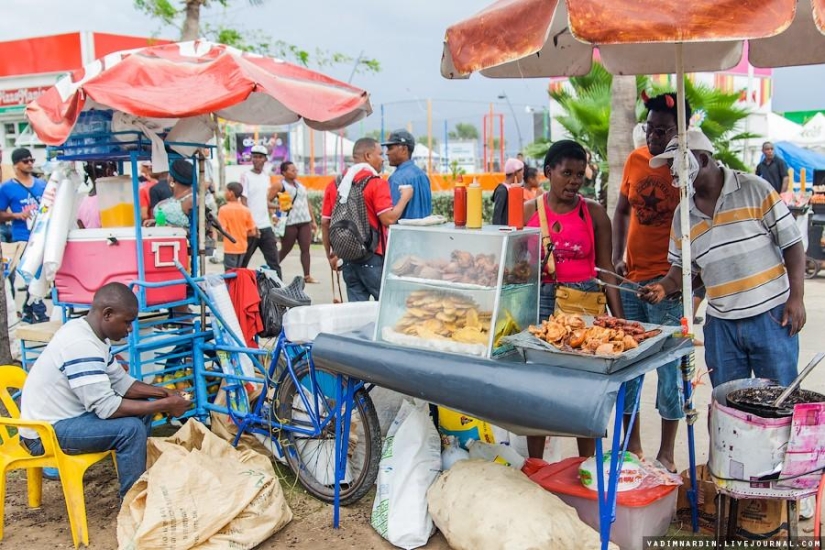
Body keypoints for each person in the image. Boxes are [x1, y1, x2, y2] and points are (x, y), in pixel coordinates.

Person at [640, 129, 805, 389]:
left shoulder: (754, 189)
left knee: (778, 401)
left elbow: (793, 244)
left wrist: (796, 298)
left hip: (771, 316)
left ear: (703, 160)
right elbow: (682, 271)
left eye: (677, 164)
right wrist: (663, 287)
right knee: (728, 407)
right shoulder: (683, 215)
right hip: (721, 325)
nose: (673, 173)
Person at [18, 282, 190, 499]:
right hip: (43, 434)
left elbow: (121, 383)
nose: (129, 329)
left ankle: (140, 483)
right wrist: (165, 405)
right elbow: (107, 408)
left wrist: (164, 393)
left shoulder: (91, 334)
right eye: (127, 322)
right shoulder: (81, 344)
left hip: (66, 420)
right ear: (108, 314)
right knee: (131, 429)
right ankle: (131, 502)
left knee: (141, 412)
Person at [523, 139, 624, 459]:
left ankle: (588, 462)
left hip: (584, 306)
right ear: (548, 172)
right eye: (567, 173)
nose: (574, 181)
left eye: (580, 174)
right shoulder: (527, 212)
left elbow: (606, 268)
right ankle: (536, 464)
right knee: (537, 389)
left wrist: (618, 319)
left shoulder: (593, 213)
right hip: (537, 306)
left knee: (585, 393)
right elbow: (512, 267)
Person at [611, 92, 692, 472]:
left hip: (669, 287)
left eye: (663, 131)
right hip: (632, 281)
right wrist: (616, 254)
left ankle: (667, 454)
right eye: (650, 129)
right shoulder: (635, 159)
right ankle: (633, 448)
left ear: (682, 133)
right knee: (628, 365)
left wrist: (682, 282)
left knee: (670, 372)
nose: (654, 138)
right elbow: (622, 209)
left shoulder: (685, 168)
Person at [321, 138, 412, 301]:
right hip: (373, 258)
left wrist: (331, 255)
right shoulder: (376, 183)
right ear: (368, 155)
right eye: (379, 154)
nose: (383, 158)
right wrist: (405, 198)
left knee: (356, 315)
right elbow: (388, 219)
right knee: (389, 305)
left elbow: (325, 222)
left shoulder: (335, 184)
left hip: (348, 259)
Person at [0, 148, 48, 324]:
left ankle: (28, 311)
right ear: (16, 165)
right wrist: (16, 215)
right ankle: (40, 311)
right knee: (31, 273)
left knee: (38, 273)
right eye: (25, 161)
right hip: (21, 236)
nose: (29, 164)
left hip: (40, 233)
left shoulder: (41, 184)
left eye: (31, 160)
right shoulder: (6, 188)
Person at [272, 161, 318, 282]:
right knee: (286, 248)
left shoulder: (299, 185)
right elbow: (268, 201)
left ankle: (307, 276)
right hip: (289, 221)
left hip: (304, 220)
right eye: (292, 170)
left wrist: (313, 221)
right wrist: (274, 214)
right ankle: (271, 269)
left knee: (305, 249)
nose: (295, 172)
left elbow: (306, 202)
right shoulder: (279, 185)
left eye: (295, 170)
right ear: (284, 172)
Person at [240, 145, 282, 278]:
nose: (257, 160)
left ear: (265, 160)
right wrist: (251, 224)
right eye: (255, 157)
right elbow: (244, 201)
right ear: (251, 159)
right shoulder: (246, 176)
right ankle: (238, 289)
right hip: (251, 228)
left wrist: (275, 211)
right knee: (243, 262)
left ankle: (280, 291)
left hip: (265, 226)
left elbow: (264, 201)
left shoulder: (266, 177)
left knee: (274, 262)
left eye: (260, 157)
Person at [382, 130, 433, 220]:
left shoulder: (396, 179)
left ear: (404, 149)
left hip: (404, 234)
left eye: (390, 148)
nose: (387, 153)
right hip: (425, 233)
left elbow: (390, 218)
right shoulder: (423, 176)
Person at [218, 182, 258, 270]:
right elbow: (253, 232)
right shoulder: (246, 210)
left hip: (230, 248)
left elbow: (222, 230)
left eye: (226, 191)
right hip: (243, 247)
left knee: (230, 275)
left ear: (231, 193)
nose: (224, 193)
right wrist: (242, 233)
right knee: (239, 274)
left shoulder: (223, 210)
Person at [492, 157, 524, 225]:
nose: (522, 175)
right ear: (515, 173)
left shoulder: (517, 189)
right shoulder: (502, 190)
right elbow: (497, 216)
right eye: (521, 173)